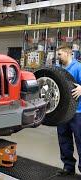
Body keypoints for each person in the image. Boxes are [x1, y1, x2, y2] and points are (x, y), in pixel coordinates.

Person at [56, 45, 81, 176]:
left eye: (60, 54)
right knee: (64, 140)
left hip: (77, 113)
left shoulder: (78, 67)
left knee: (80, 140)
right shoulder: (59, 69)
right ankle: (68, 167)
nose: (58, 56)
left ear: (67, 53)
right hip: (62, 113)